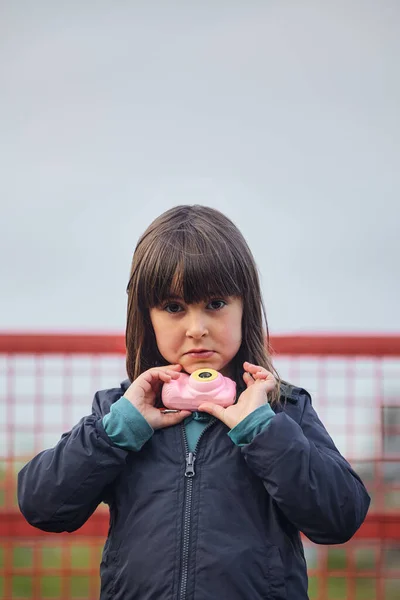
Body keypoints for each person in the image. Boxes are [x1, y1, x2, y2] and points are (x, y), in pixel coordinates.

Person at [18, 205, 370, 600]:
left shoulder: (280, 409)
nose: (196, 328)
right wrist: (116, 432)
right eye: (173, 308)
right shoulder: (122, 411)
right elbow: (42, 506)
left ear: (245, 308)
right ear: (146, 317)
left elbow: (341, 518)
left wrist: (262, 431)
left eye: (216, 304)